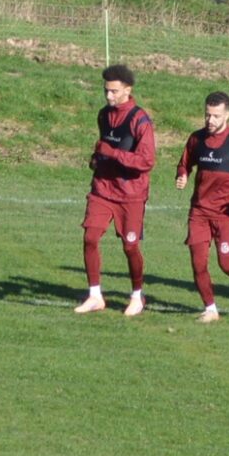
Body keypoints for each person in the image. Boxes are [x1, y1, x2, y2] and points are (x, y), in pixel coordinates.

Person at [174, 94, 229, 324]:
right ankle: (210, 309)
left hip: (226, 214)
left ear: (227, 115)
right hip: (199, 212)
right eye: (207, 115)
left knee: (227, 264)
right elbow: (184, 163)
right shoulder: (196, 139)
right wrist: (182, 175)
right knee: (198, 263)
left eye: (216, 116)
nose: (210, 120)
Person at [77, 65, 155, 316]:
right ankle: (95, 295)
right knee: (90, 237)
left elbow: (146, 161)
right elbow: (103, 146)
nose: (109, 96)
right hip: (102, 188)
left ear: (127, 90)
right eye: (106, 90)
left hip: (130, 194)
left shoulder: (140, 120)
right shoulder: (103, 115)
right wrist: (97, 159)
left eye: (114, 91)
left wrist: (113, 154)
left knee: (130, 247)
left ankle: (136, 295)